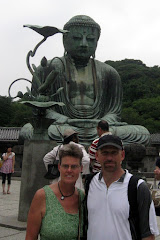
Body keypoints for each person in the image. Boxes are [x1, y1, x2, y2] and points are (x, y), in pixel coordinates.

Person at [21, 15, 150, 146]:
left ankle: (88, 138)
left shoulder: (109, 72)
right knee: (28, 131)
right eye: (77, 38)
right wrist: (65, 120)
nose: (84, 44)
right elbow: (40, 109)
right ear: (65, 40)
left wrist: (102, 123)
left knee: (141, 133)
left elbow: (114, 112)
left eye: (90, 39)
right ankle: (95, 141)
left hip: (99, 128)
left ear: (97, 42)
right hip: (62, 126)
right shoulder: (47, 68)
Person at [87, 135, 159, 240]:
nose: (109, 158)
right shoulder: (90, 183)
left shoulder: (137, 187)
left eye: (114, 153)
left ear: (122, 155)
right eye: (105, 153)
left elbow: (148, 234)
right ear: (97, 156)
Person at [25, 144, 85, 240]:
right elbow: (30, 237)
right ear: (59, 167)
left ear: (81, 168)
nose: (69, 170)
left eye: (74, 166)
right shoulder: (42, 196)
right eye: (65, 166)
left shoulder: (82, 198)